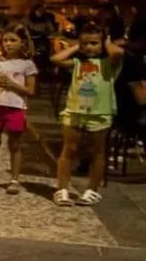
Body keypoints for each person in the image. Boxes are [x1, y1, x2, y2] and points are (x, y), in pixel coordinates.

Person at [52, 23, 123, 206]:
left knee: (97, 152)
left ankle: (92, 190)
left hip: (99, 113)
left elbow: (117, 53)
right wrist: (77, 46)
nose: (89, 47)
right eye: (86, 44)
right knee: (69, 149)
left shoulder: (109, 64)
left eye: (94, 43)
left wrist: (106, 41)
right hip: (75, 111)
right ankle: (62, 189)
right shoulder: (77, 63)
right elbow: (56, 59)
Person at [0, 24, 37, 194]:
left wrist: (13, 85)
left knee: (15, 144)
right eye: (5, 40)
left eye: (13, 40)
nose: (8, 44)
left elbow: (31, 90)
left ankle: (14, 179)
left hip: (15, 107)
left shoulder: (27, 65)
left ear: (23, 42)